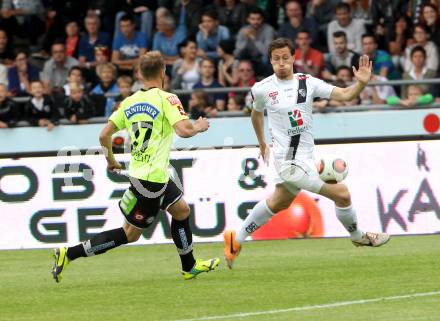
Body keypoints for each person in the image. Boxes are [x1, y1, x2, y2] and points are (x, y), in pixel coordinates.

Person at [51, 51, 220, 283]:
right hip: (152, 181)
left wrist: (111, 160)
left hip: (144, 174)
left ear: (139, 74)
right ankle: (69, 254)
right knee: (129, 234)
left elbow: (104, 135)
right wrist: (199, 125)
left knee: (181, 211)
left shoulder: (129, 102)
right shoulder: (167, 99)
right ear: (163, 72)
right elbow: (184, 130)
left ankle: (189, 265)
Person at [223, 38, 390, 269]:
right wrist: (261, 142)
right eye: (276, 59)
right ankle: (358, 236)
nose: (281, 63)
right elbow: (255, 113)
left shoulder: (307, 83)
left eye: (285, 58)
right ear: (270, 61)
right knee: (342, 193)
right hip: (288, 162)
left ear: (293, 58)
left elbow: (344, 95)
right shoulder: (262, 88)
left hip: (306, 157)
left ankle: (236, 239)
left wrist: (360, 84)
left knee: (279, 202)